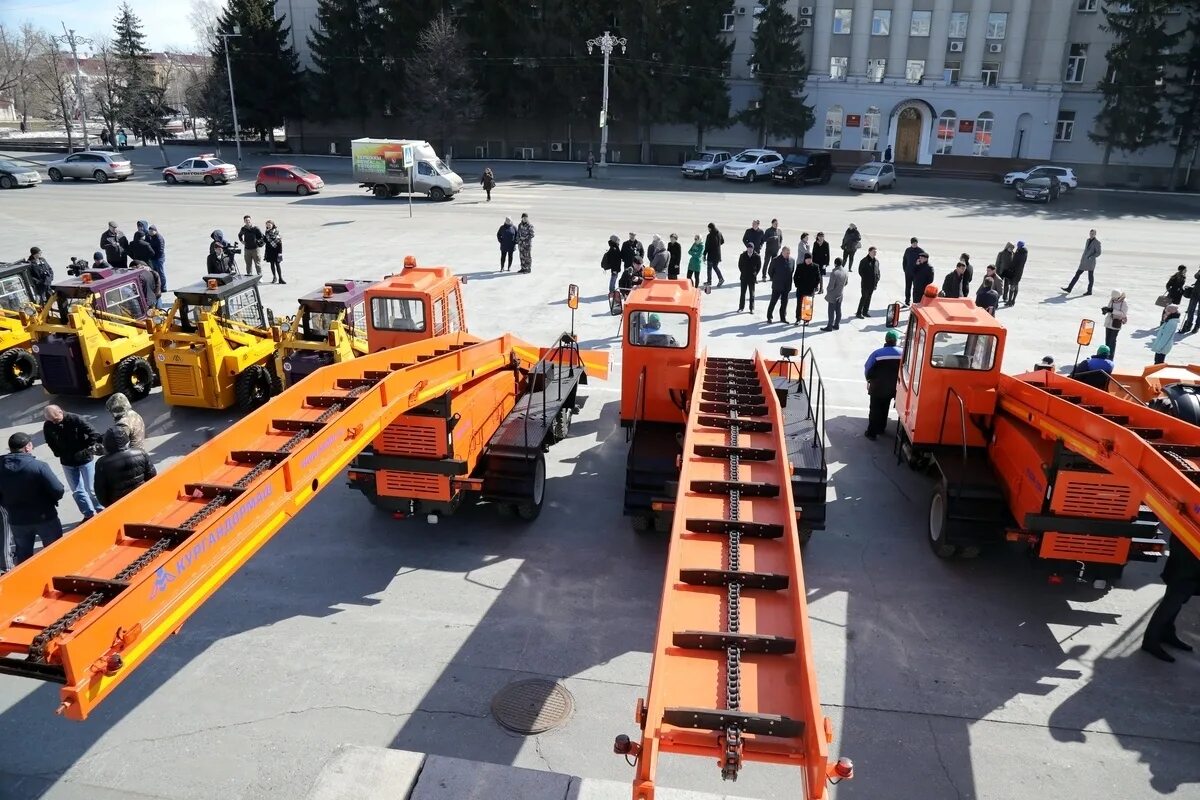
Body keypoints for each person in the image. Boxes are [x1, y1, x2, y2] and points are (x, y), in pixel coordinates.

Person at [0, 432, 64, 564]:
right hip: (45, 517)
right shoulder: (38, 466)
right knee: (55, 551)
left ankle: (27, 581)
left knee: (23, 555)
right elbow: (58, 489)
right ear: (27, 447)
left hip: (17, 519)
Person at [1141, 535, 1200, 663]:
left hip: (1190, 540)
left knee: (1181, 590)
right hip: (1190, 541)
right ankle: (1151, 640)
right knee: (1179, 591)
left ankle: (1166, 631)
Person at [42, 405, 102, 520]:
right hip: (67, 462)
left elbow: (94, 434)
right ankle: (88, 514)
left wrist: (86, 450)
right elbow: (49, 441)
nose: (54, 423)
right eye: (51, 420)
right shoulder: (48, 425)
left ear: (60, 412)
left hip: (85, 460)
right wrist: (57, 452)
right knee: (77, 491)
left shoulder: (75, 419)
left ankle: (101, 510)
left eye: (55, 419)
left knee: (92, 489)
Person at [93, 426, 156, 507]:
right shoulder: (140, 453)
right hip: (142, 496)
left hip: (119, 504)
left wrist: (109, 506)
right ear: (126, 440)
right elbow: (152, 476)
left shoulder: (102, 463)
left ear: (106, 444)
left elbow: (100, 490)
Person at [864, 330, 903, 440]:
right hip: (893, 387)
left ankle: (872, 433)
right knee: (885, 406)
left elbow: (868, 368)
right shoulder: (902, 353)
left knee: (874, 409)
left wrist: (869, 380)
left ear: (886, 340)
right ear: (896, 341)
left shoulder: (877, 353)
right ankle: (881, 428)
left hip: (877, 387)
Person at [1063, 229, 1101, 295]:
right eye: (1090, 233)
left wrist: (1091, 257)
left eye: (1093, 234)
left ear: (1095, 234)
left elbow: (1098, 253)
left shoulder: (1097, 242)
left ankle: (1089, 291)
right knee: (1077, 274)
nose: (1091, 235)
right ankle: (1069, 288)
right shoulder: (1088, 240)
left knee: (1090, 276)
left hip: (1090, 262)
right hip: (1084, 261)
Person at [791, 252, 822, 325]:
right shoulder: (800, 266)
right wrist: (797, 285)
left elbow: (818, 278)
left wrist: (814, 286)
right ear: (804, 259)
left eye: (810, 259)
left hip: (810, 290)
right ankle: (798, 319)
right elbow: (795, 277)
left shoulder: (815, 266)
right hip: (801, 289)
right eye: (807, 259)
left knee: (807, 305)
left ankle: (806, 320)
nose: (808, 260)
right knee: (799, 304)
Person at [766, 246, 795, 324]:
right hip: (777, 285)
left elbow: (791, 271)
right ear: (782, 252)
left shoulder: (792, 260)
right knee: (773, 301)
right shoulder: (775, 260)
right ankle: (769, 317)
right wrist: (776, 279)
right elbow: (770, 272)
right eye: (786, 253)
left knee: (784, 303)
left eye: (789, 253)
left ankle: (783, 317)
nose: (788, 254)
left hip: (787, 286)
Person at [1101, 290, 1129, 356]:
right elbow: (1109, 307)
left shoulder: (1124, 303)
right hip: (1108, 323)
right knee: (1107, 341)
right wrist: (1106, 310)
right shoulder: (1112, 299)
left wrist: (1112, 310)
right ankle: (1105, 355)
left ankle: (1110, 357)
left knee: (1112, 341)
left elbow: (1123, 314)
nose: (1113, 299)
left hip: (1115, 324)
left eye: (1115, 298)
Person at [822, 258, 847, 331]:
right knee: (838, 310)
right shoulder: (845, 272)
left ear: (835, 263)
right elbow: (846, 283)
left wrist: (828, 289)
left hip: (833, 295)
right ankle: (837, 324)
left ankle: (829, 326)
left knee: (831, 311)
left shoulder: (834, 273)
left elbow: (831, 286)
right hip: (840, 294)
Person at [856, 246, 880, 318]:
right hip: (865, 283)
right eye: (873, 252)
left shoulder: (876, 261)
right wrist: (866, 278)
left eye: (875, 252)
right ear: (869, 252)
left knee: (869, 298)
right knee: (864, 297)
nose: (875, 253)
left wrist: (877, 279)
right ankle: (858, 313)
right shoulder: (864, 261)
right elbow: (860, 271)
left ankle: (865, 311)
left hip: (873, 283)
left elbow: (878, 271)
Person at [737, 243, 760, 314]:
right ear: (747, 248)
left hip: (752, 278)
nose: (749, 249)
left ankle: (751, 308)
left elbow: (759, 266)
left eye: (751, 248)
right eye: (748, 248)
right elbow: (739, 265)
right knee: (742, 293)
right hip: (744, 277)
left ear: (753, 248)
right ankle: (741, 307)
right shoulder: (742, 255)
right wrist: (743, 272)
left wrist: (755, 273)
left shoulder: (757, 256)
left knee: (751, 293)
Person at [1006, 241, 1028, 307]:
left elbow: (1014, 263)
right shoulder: (1024, 252)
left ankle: (1009, 301)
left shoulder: (1019, 253)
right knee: (1016, 285)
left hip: (1015, 272)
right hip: (1020, 272)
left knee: (1012, 286)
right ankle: (1013, 300)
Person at [902, 237, 922, 305]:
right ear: (911, 243)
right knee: (908, 287)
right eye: (913, 243)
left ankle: (915, 302)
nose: (915, 244)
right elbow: (904, 260)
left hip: (916, 273)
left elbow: (924, 261)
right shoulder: (907, 250)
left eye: (916, 243)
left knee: (916, 288)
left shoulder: (920, 251)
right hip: (908, 273)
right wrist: (905, 270)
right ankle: (907, 302)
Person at [147, 223, 167, 291]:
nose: (150, 232)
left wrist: (154, 256)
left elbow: (160, 250)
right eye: (149, 231)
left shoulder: (159, 238)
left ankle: (163, 287)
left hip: (159, 258)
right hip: (154, 258)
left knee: (160, 273)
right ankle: (158, 286)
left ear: (155, 231)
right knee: (155, 273)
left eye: (152, 231)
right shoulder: (151, 237)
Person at [1181, 267, 1200, 334]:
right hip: (1195, 293)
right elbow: (1196, 276)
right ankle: (1188, 325)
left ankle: (1197, 326)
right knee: (1190, 309)